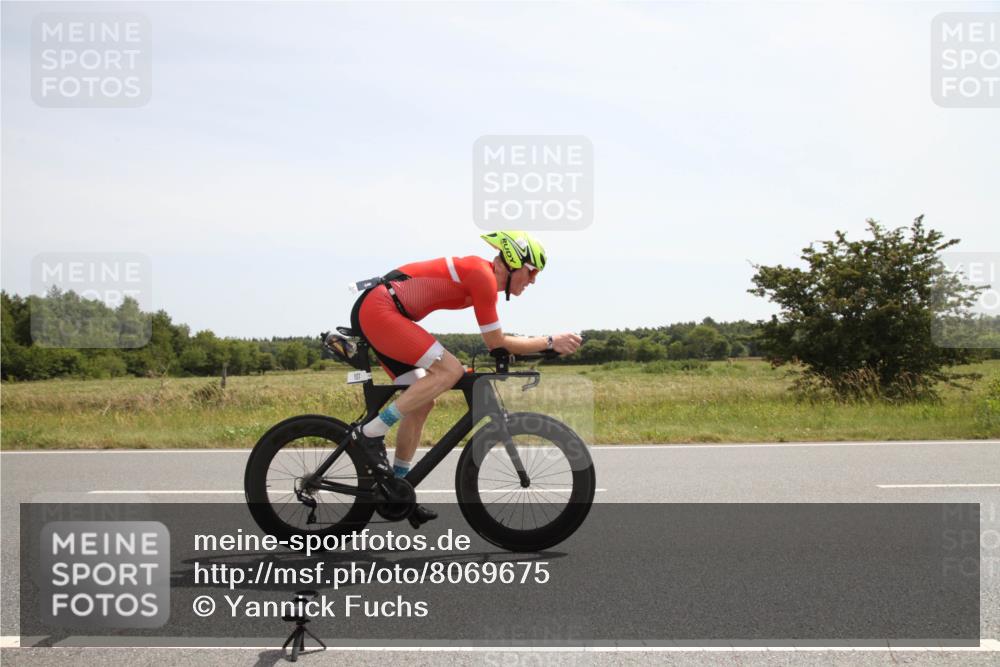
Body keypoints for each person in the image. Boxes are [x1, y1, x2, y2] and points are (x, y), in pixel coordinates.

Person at [348, 231, 583, 523]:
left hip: (384, 310)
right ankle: (370, 433)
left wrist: (534, 348)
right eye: (531, 271)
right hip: (381, 309)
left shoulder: (482, 279)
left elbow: (498, 343)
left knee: (422, 402)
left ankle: (397, 488)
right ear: (512, 262)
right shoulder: (482, 277)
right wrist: (549, 341)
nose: (533, 279)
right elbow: (496, 341)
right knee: (450, 371)